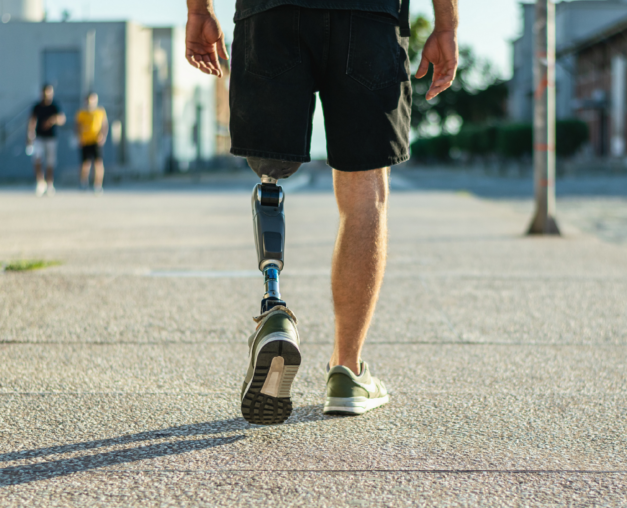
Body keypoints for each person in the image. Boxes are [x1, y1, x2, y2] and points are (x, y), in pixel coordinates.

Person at [185, 0, 458, 425]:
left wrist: (199, 10)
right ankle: (347, 372)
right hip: (368, 17)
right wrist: (447, 24)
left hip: (270, 11)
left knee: (269, 171)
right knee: (364, 192)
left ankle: (274, 310)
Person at [27, 85, 66, 197]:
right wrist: (30, 135)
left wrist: (53, 120)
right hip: (39, 138)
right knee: (37, 160)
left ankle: (50, 184)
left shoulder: (55, 106)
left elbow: (62, 119)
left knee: (50, 162)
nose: (46, 95)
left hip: (51, 138)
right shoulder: (37, 106)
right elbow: (32, 121)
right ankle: (40, 182)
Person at [75, 92, 109, 194]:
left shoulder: (100, 111)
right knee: (85, 163)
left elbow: (105, 125)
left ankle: (98, 185)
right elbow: (77, 126)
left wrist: (103, 136)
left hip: (96, 140)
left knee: (98, 163)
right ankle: (83, 183)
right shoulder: (81, 113)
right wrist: (79, 137)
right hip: (85, 140)